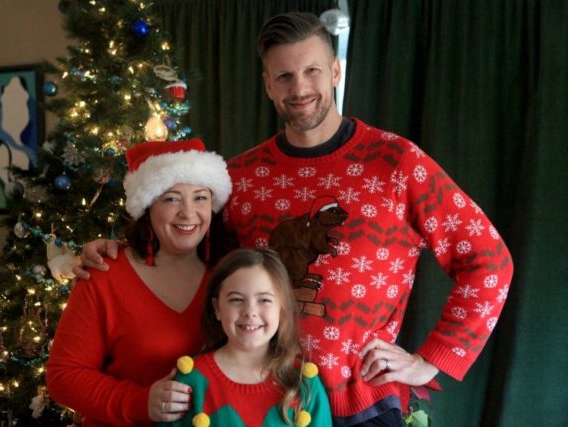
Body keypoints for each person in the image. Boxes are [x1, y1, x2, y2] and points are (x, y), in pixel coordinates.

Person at [75, 11, 514, 426]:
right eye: (284, 75)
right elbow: (191, 248)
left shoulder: (396, 163)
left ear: (336, 72)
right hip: (262, 403)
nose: (299, 87)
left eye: (312, 71)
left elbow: (489, 260)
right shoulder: (241, 178)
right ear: (268, 85)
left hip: (360, 403)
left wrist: (430, 361)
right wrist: (119, 249)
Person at [46, 138, 232, 426]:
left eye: (200, 197)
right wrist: (140, 402)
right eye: (171, 198)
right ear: (147, 206)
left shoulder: (230, 276)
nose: (188, 212)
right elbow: (63, 376)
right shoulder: (104, 273)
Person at [159, 247, 332, 427]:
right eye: (236, 299)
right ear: (217, 308)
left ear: (281, 310)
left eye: (264, 300)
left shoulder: (304, 383)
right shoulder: (191, 381)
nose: (250, 312)